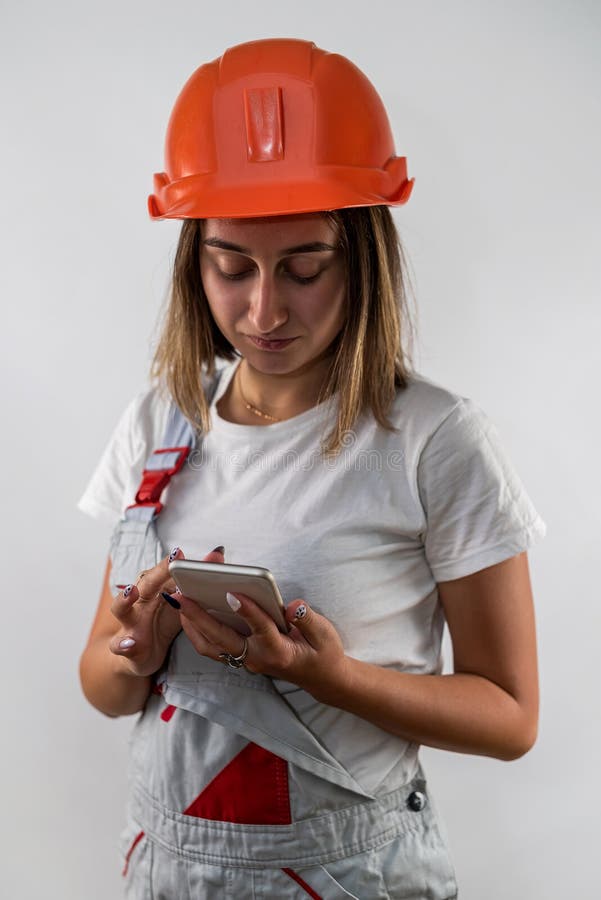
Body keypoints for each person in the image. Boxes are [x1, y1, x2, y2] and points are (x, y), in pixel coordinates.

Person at [78, 37, 545, 899]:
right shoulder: (158, 422)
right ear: (195, 266)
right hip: (167, 872)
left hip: (353, 874)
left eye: (303, 269)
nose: (263, 310)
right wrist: (137, 650)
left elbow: (510, 718)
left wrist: (326, 678)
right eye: (231, 269)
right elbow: (103, 686)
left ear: (362, 259)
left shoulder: (432, 439)